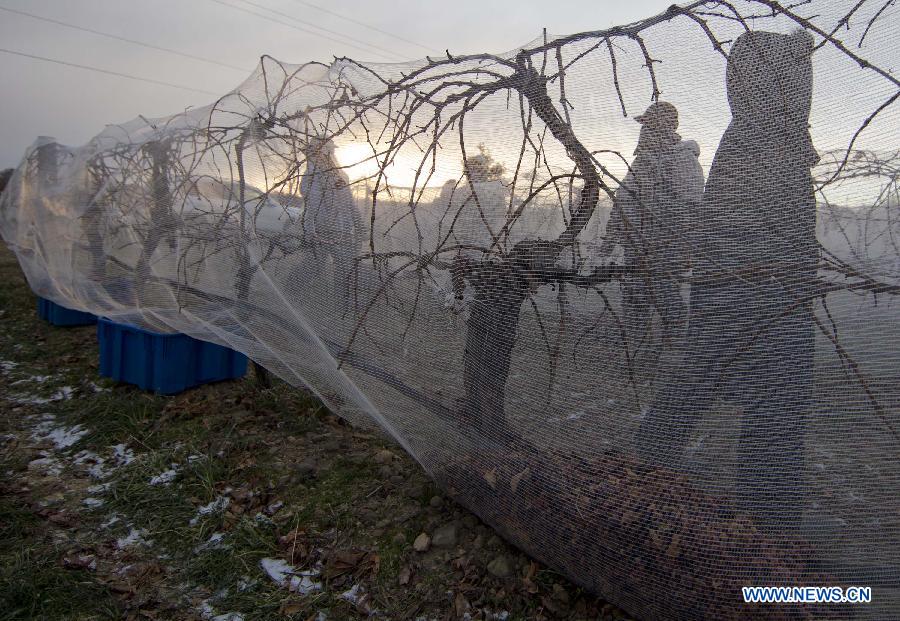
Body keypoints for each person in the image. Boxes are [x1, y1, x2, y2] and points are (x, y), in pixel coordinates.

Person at [636, 30, 819, 529]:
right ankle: (766, 534)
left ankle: (651, 468)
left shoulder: (762, 140)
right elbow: (743, 228)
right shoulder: (760, 142)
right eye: (795, 79)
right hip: (758, 300)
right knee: (768, 397)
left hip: (753, 297)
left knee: (707, 378)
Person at [601, 101, 704, 352]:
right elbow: (623, 201)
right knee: (635, 299)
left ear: (667, 128)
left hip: (665, 248)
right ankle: (638, 356)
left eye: (651, 125)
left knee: (666, 298)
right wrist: (610, 240)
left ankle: (670, 355)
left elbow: (691, 208)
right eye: (645, 125)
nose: (645, 130)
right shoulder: (641, 161)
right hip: (636, 246)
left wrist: (685, 247)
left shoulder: (683, 161)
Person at [299, 138, 363, 310]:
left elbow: (349, 203)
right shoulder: (311, 176)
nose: (330, 154)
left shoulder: (340, 174)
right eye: (327, 151)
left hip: (342, 232)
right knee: (315, 264)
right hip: (324, 232)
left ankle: (342, 307)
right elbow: (312, 206)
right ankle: (291, 293)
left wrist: (359, 224)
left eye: (331, 151)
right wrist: (310, 231)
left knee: (344, 269)